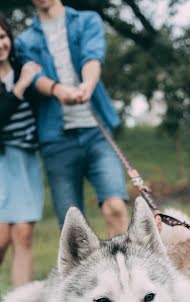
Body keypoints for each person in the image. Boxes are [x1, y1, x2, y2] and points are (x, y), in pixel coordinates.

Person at [16, 0, 129, 236]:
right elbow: (35, 77)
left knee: (115, 207)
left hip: (97, 132)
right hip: (56, 140)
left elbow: (92, 57)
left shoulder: (88, 20)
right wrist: (58, 90)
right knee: (72, 229)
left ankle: (122, 270)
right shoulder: (24, 41)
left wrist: (87, 85)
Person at [0, 15, 44, 288]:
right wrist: (19, 87)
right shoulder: (22, 79)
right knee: (2, 238)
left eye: (2, 37)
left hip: (26, 159)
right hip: (1, 163)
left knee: (24, 234)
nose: (0, 45)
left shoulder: (25, 68)